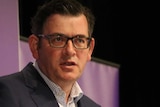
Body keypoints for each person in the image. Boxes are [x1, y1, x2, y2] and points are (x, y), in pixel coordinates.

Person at [0, 0, 101, 107]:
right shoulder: (7, 94)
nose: (70, 51)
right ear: (35, 46)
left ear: (90, 49)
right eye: (58, 39)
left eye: (79, 40)